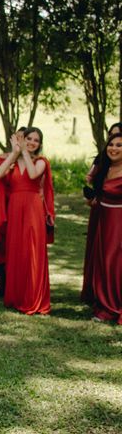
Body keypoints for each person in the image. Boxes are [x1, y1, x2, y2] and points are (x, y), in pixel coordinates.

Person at [0, 127, 55, 315]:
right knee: (16, 249)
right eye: (28, 138)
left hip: (32, 209)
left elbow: (32, 174)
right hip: (15, 208)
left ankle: (32, 298)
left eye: (36, 140)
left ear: (40, 144)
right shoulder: (14, 161)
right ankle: (16, 296)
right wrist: (14, 153)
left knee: (31, 250)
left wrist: (24, 152)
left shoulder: (41, 162)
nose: (31, 142)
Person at [82, 132, 122, 323]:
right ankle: (105, 306)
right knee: (103, 262)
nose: (114, 148)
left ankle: (115, 307)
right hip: (103, 220)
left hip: (119, 222)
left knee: (115, 264)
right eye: (111, 145)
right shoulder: (104, 169)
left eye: (119, 145)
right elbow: (99, 197)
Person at [0, 126, 26, 297]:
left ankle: (16, 282)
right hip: (1, 202)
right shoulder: (2, 158)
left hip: (19, 202)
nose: (21, 140)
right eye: (18, 137)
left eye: (24, 138)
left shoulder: (29, 161)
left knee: (15, 239)